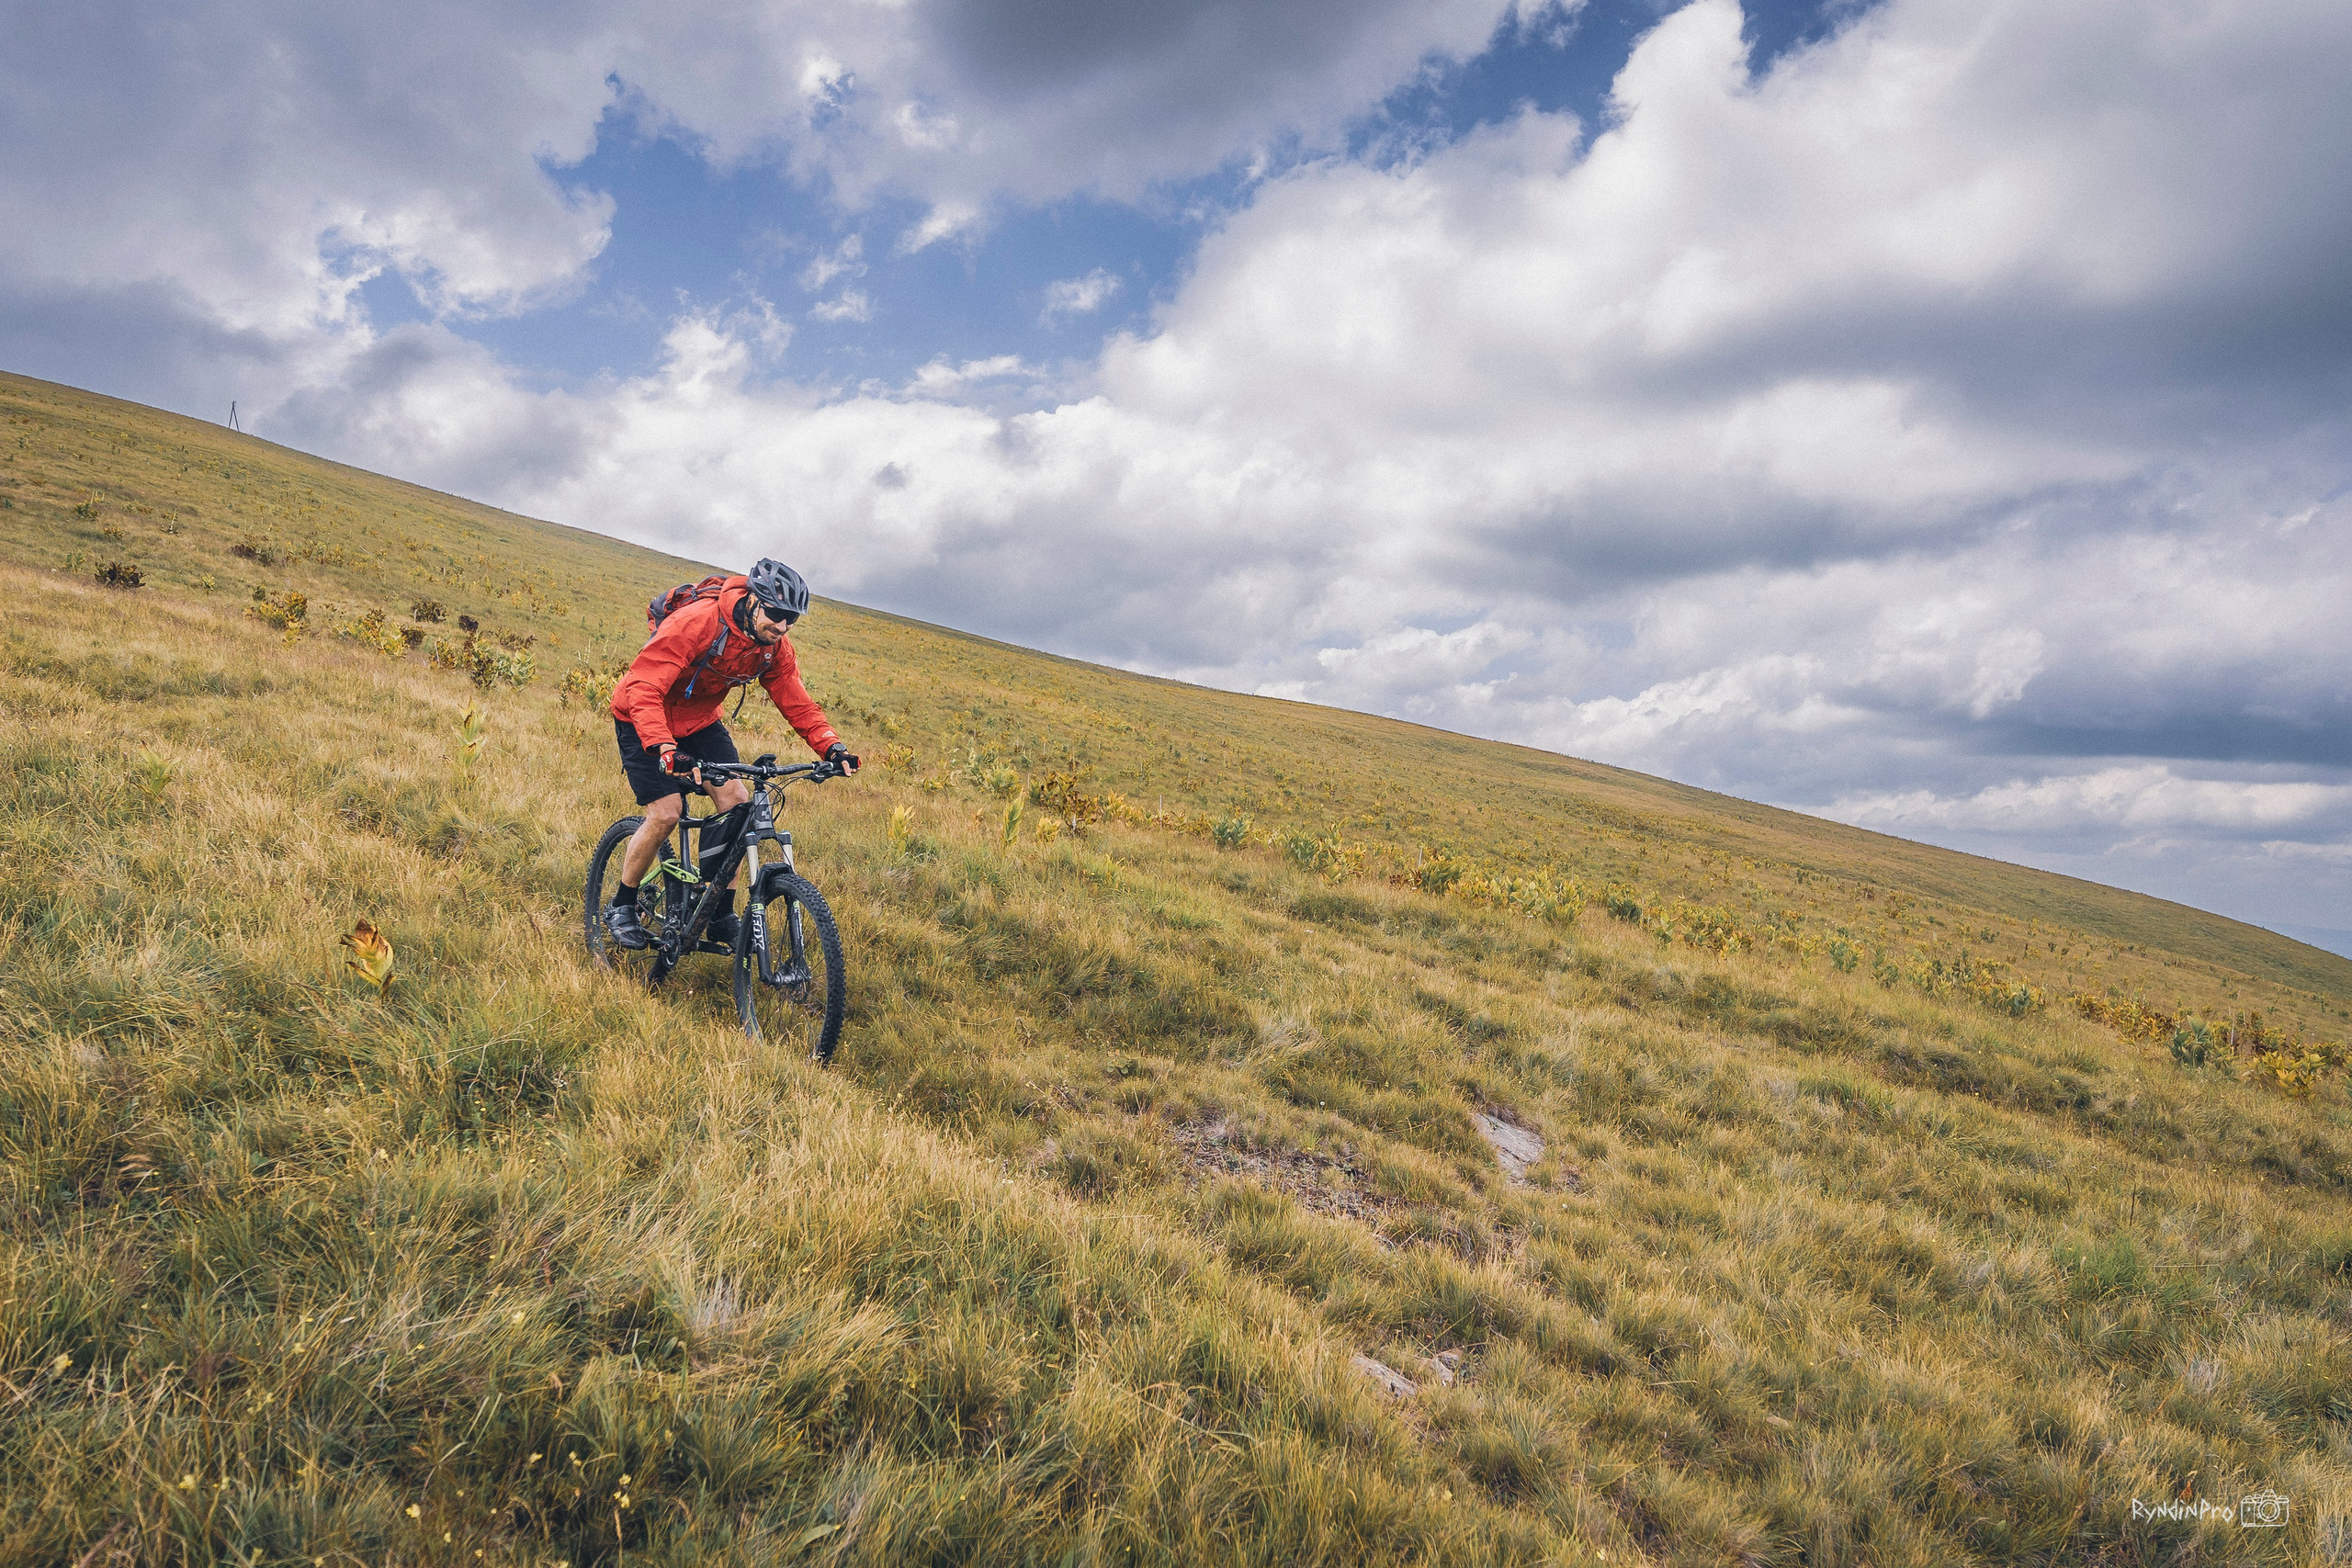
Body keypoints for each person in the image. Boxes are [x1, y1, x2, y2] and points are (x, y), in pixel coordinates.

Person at [604, 558, 857, 950]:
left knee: (738, 804)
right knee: (667, 812)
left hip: (700, 722)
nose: (782, 626)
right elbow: (644, 687)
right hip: (642, 717)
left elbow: (797, 701)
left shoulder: (772, 648)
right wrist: (665, 748)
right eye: (775, 614)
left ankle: (718, 914)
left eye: (792, 619)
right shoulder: (698, 622)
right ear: (753, 601)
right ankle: (622, 903)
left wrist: (831, 746)